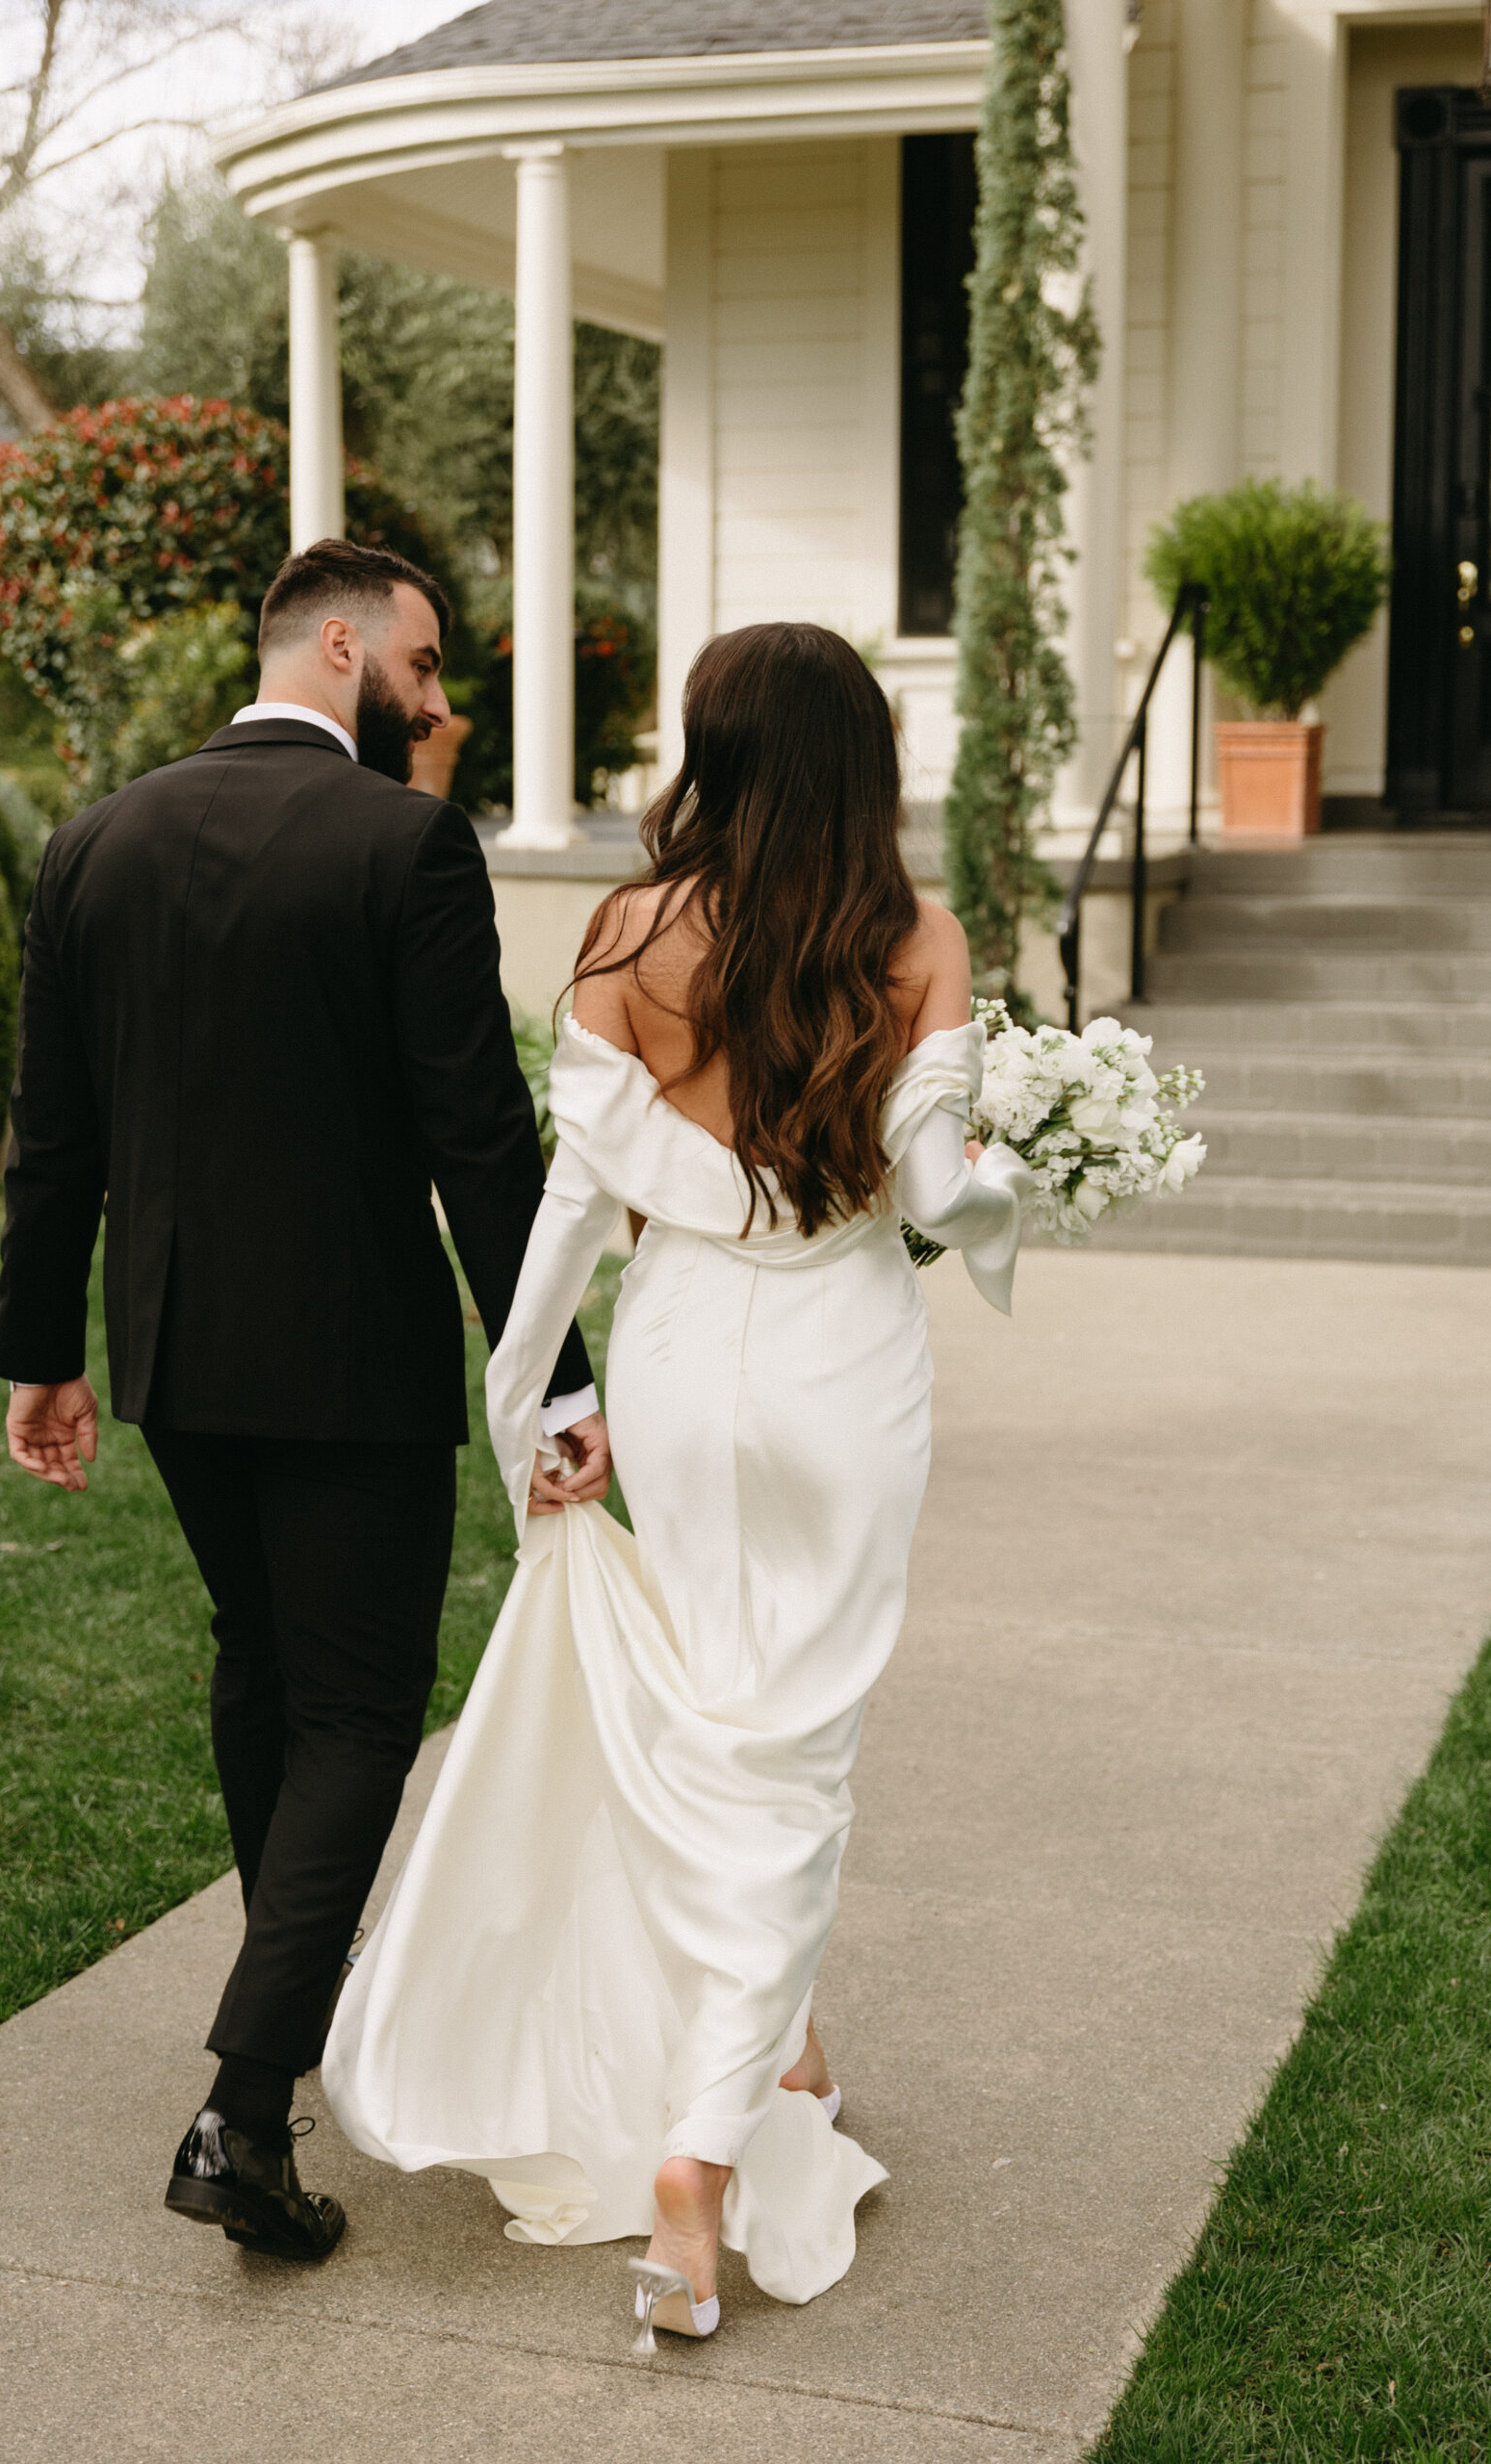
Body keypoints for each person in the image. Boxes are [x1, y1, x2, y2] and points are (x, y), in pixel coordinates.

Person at [323, 621, 1033, 2338]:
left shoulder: (628, 929)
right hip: (840, 1371)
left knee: (721, 1727)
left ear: (709, 748)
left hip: (677, 1355)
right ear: (863, 758)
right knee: (793, 1764)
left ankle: (782, 2060)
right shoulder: (914, 936)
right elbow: (937, 1191)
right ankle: (701, 2168)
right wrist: (1027, 1179)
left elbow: (574, 1208)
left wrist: (532, 1418)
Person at [0, 537, 610, 2263]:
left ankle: (295, 1994)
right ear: (339, 645)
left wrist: (48, 1354)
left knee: (263, 1667)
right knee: (353, 1710)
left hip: (178, 1351)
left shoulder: (91, 843)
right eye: (419, 665)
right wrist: (557, 1379)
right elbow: (476, 1140)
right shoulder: (406, 847)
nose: (436, 700)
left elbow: (56, 1136)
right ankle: (242, 2117)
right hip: (349, 1363)